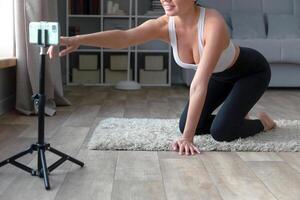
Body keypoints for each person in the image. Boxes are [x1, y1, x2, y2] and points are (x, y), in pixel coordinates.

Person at [48, 0, 276, 156]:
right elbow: (124, 37)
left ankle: (263, 123)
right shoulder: (164, 25)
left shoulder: (212, 24)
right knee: (187, 125)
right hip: (221, 77)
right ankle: (236, 113)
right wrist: (77, 39)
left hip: (250, 73)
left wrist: (187, 139)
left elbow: (199, 83)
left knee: (221, 133)